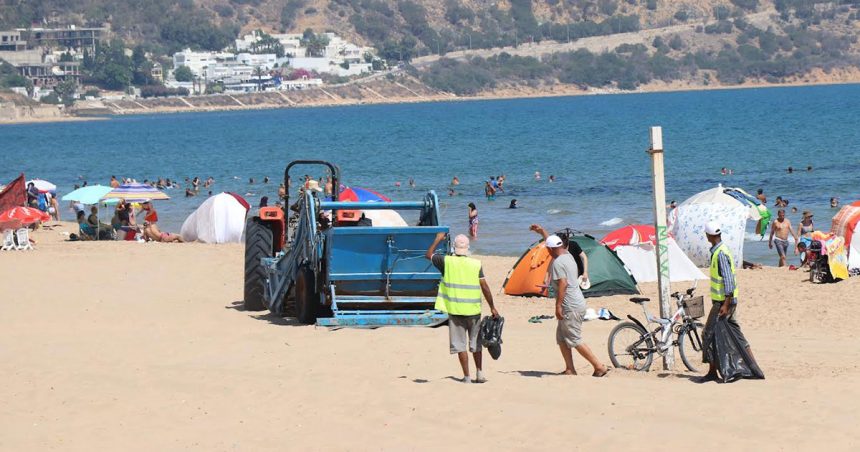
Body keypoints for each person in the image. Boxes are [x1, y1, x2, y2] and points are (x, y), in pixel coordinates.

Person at [425, 233, 499, 383]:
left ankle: (466, 377)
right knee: (476, 344)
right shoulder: (475, 264)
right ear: (467, 249)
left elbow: (428, 255)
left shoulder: (446, 261)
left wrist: (438, 239)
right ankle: (479, 373)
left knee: (460, 345)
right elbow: (484, 286)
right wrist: (492, 307)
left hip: (455, 310)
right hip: (473, 310)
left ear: (454, 248)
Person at [696, 221, 757, 383]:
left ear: (709, 236)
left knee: (708, 334)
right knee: (736, 333)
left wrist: (725, 304)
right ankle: (754, 367)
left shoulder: (720, 253)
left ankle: (712, 372)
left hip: (723, 302)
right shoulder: (722, 250)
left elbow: (728, 280)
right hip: (727, 301)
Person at [542, 234, 608, 377]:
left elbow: (563, 284)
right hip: (576, 302)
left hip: (570, 306)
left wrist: (558, 306)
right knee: (561, 338)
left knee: (574, 339)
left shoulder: (558, 262)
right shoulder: (568, 255)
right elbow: (555, 243)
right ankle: (570, 369)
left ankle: (599, 366)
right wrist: (542, 232)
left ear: (549, 249)